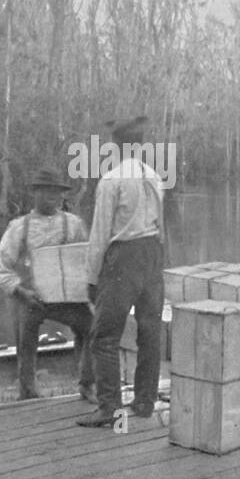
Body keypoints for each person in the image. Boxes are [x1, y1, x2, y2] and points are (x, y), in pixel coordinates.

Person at [80, 116, 165, 428]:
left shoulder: (111, 180)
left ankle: (110, 408)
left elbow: (99, 235)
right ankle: (144, 401)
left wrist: (91, 278)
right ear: (140, 145)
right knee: (150, 333)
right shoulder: (155, 178)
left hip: (124, 259)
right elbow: (162, 228)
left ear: (115, 146)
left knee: (104, 336)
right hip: (152, 255)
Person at [0, 166, 96, 403]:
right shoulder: (19, 227)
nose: (53, 196)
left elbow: (87, 260)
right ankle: (28, 392)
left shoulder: (75, 224)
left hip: (68, 298)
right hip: (32, 297)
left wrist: (86, 289)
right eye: (46, 191)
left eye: (57, 192)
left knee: (91, 327)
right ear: (34, 194)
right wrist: (21, 291)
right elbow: (0, 269)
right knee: (25, 336)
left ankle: (87, 383)